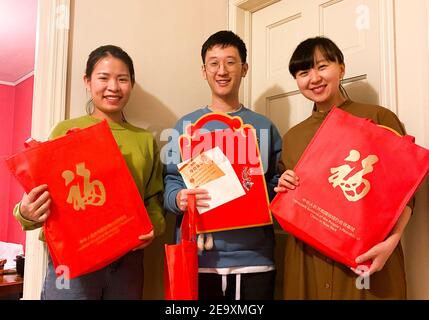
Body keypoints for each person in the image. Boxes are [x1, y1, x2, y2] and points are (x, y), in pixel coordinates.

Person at [13, 45, 165, 300]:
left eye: (122, 79)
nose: (113, 87)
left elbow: (154, 199)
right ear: (87, 81)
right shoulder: (66, 130)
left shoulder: (144, 140)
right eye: (103, 78)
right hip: (72, 262)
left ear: (132, 84)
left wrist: (152, 227)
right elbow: (41, 194)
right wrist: (25, 213)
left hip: (126, 262)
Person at [275, 36, 413, 299]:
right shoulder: (292, 137)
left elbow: (406, 190)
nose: (314, 78)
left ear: (342, 68)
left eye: (322, 66)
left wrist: (390, 244)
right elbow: (290, 201)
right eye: (304, 72)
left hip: (367, 255)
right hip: (308, 259)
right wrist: (283, 186)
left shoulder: (378, 118)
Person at [163, 30, 282, 300]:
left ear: (245, 68)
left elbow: (274, 183)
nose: (222, 70)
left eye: (230, 61)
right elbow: (170, 182)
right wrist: (178, 198)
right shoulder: (186, 126)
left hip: (255, 257)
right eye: (214, 63)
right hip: (199, 256)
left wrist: (279, 188)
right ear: (204, 71)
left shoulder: (263, 126)